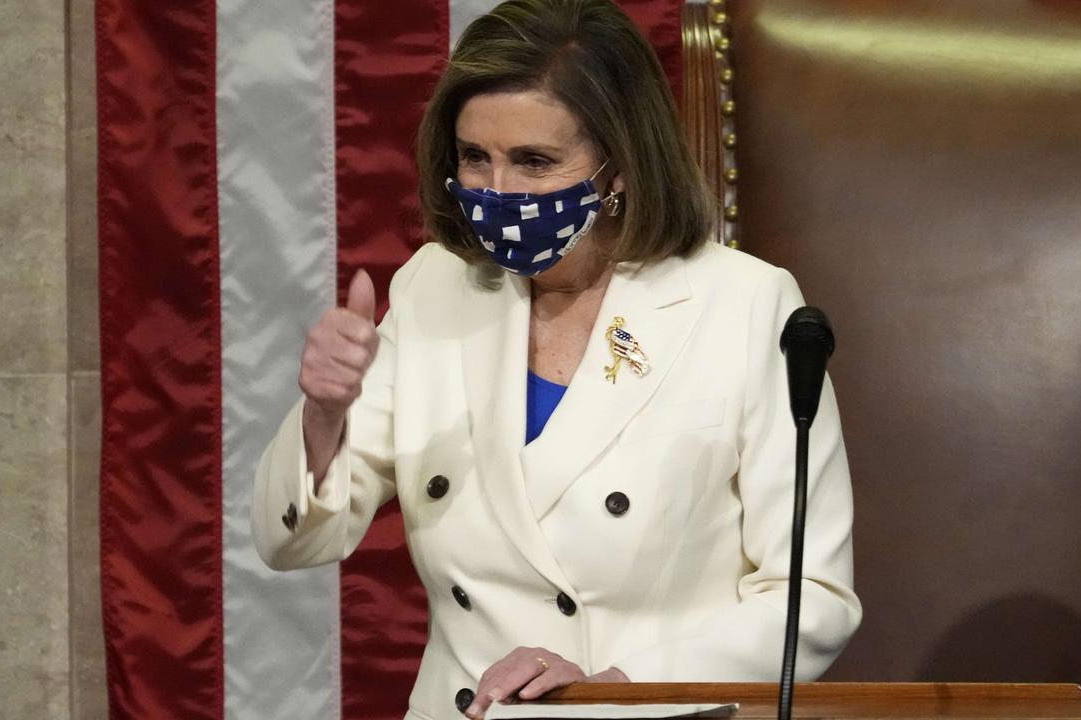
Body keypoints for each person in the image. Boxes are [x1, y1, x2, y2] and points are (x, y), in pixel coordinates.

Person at [252, 1, 861, 718]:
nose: (497, 193)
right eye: (475, 157)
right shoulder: (435, 288)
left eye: (534, 162)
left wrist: (623, 686)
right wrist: (325, 415)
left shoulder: (750, 306)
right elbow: (293, 542)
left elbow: (810, 598)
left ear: (622, 165)